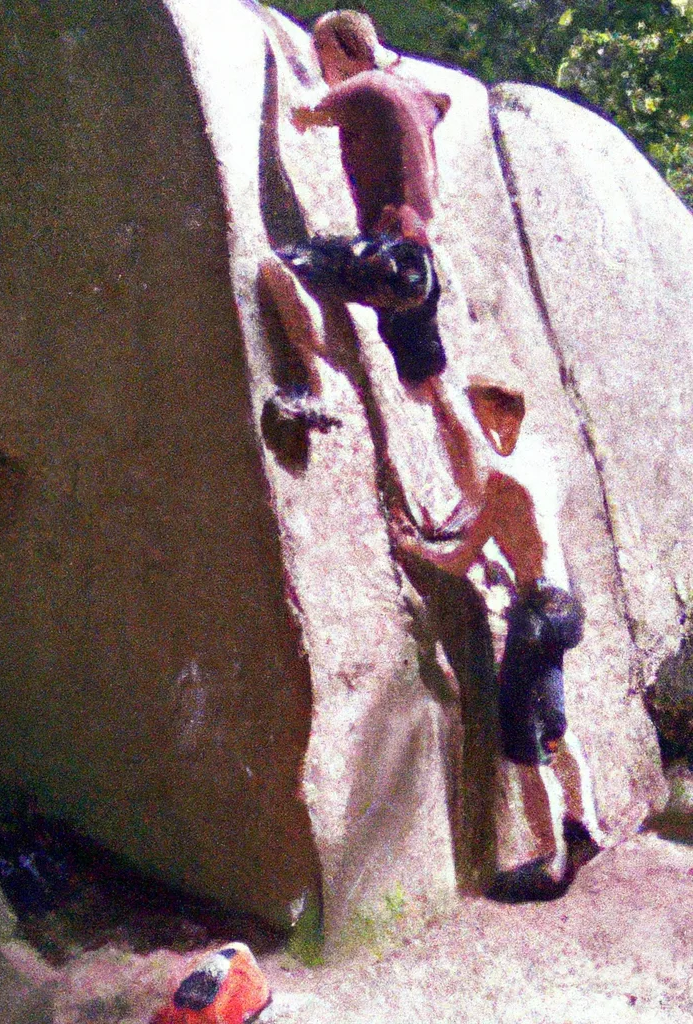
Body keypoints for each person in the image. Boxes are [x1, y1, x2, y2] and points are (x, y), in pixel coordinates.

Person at [390, 375, 605, 888]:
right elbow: (482, 521)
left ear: (501, 419)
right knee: (554, 724)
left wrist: (411, 546)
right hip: (562, 607)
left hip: (535, 613)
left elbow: (461, 557)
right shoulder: (530, 463)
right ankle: (585, 825)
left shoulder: (500, 480)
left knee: (519, 740)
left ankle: (549, 854)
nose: (461, 435)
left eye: (474, 419)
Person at [280, 11, 451, 387]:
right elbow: (443, 102)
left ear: (343, 49)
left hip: (386, 257)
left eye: (321, 50)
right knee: (427, 386)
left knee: (282, 267)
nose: (319, 63)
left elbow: (303, 116)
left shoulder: (364, 88)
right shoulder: (412, 91)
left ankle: (310, 386)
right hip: (420, 265)